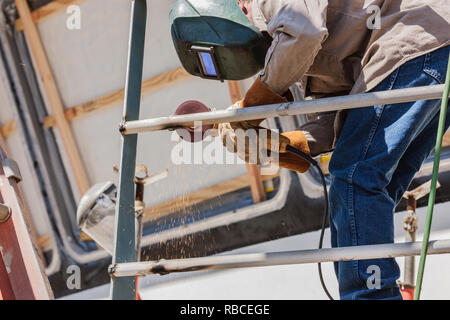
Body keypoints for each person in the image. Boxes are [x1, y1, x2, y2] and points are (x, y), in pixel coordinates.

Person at [221, 0, 450, 299]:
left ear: (240, 6)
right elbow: (348, 116)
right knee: (369, 189)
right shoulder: (324, 39)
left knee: (354, 178)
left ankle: (371, 296)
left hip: (413, 44)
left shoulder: (264, 5)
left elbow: (303, 32)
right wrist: (283, 146)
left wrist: (250, 108)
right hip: (431, 52)